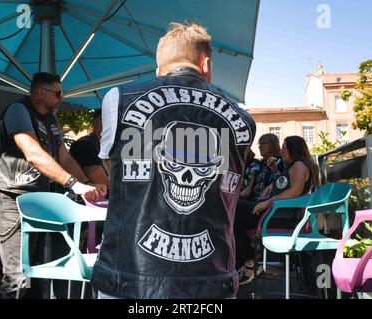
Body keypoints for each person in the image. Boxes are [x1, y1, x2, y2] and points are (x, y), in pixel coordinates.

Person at [90, 21, 256, 299]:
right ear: (206, 65)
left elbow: (114, 172)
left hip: (128, 278)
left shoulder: (118, 99)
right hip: (212, 281)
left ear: (158, 70)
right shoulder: (243, 119)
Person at [0, 72, 106, 299]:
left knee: (40, 272)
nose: (62, 98)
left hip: (39, 199)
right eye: (58, 93)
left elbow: (64, 157)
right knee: (17, 276)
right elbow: (33, 153)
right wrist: (74, 184)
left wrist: (86, 183)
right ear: (41, 92)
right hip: (12, 199)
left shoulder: (51, 119)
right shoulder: (18, 110)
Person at [234, 135, 319, 285]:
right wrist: (274, 180)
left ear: (294, 149)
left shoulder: (299, 165)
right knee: (231, 213)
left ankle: (248, 260)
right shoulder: (293, 166)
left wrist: (268, 202)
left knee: (231, 210)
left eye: (285, 147)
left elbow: (295, 191)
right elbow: (285, 185)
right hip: (277, 213)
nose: (281, 150)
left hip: (279, 216)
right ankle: (246, 259)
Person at [235, 133, 283, 285]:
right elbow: (250, 187)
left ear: (272, 145)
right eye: (260, 143)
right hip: (254, 203)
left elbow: (282, 186)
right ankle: (243, 264)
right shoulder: (259, 165)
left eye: (263, 144)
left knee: (231, 210)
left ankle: (249, 261)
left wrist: (275, 171)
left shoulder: (280, 162)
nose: (260, 146)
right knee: (228, 216)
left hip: (266, 208)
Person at [69, 109, 109, 186]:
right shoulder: (84, 145)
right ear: (102, 121)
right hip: (88, 196)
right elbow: (104, 184)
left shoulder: (104, 146)